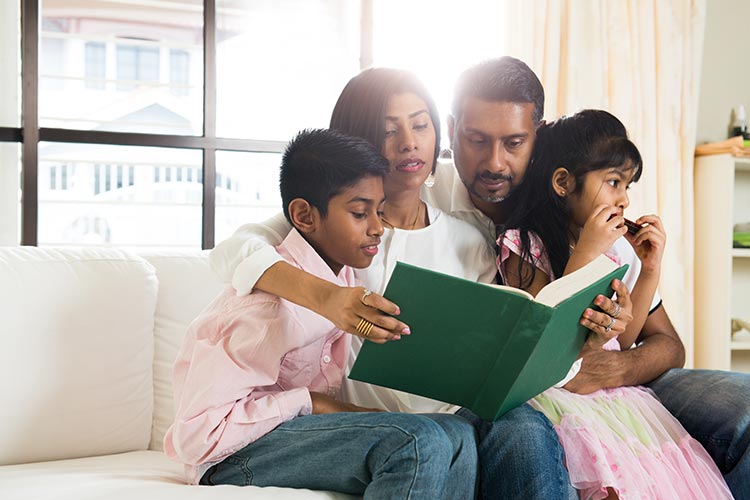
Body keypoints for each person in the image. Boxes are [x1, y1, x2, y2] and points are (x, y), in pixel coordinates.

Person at [211, 58, 750, 499]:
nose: (493, 162)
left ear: (538, 138)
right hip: (510, 402)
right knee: (519, 428)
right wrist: (327, 297)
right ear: (453, 130)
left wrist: (610, 366)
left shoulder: (573, 204)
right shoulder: (401, 192)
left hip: (606, 388)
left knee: (742, 404)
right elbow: (241, 248)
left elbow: (666, 343)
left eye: (513, 143)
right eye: (474, 139)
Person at [164, 128, 479, 499]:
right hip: (230, 456)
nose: (378, 228)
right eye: (360, 213)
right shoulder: (264, 308)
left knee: (457, 432)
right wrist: (311, 403)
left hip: (295, 439)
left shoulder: (345, 273)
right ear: (304, 215)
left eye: (379, 211)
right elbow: (198, 435)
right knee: (414, 441)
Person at [498, 109, 733, 499]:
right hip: (562, 396)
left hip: (618, 399)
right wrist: (588, 252)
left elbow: (623, 343)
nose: (623, 199)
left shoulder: (617, 249)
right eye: (612, 182)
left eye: (627, 185)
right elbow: (545, 336)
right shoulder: (525, 244)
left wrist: (649, 270)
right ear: (562, 183)